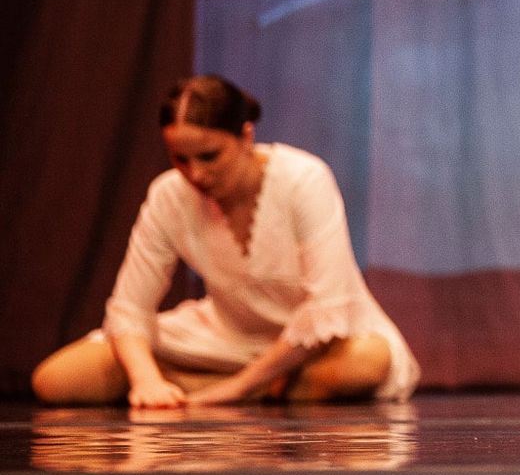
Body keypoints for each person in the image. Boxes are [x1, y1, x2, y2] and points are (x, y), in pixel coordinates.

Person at [31, 77, 420, 407]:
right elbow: (130, 309)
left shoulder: (304, 179)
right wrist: (146, 381)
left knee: (368, 360)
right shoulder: (169, 195)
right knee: (57, 379)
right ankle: (256, 390)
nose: (195, 174)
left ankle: (236, 387)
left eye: (209, 156)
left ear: (246, 136)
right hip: (224, 336)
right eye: (180, 159)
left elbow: (325, 310)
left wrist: (236, 388)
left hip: (314, 345)